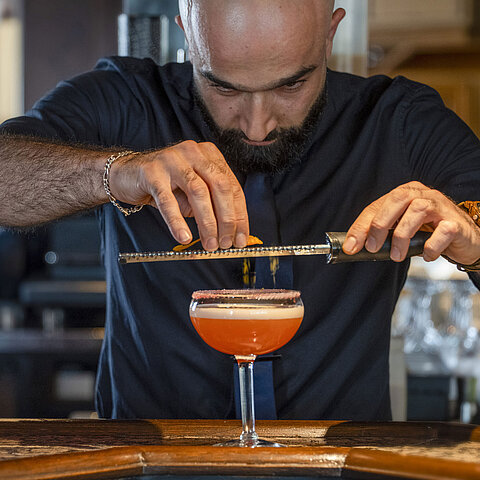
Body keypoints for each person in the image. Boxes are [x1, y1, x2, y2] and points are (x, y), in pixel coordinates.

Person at [0, 0, 479, 420]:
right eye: (224, 88)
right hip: (147, 463)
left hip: (342, 464)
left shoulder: (397, 119)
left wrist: (473, 243)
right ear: (188, 34)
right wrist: (115, 172)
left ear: (330, 34)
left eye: (290, 87)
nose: (256, 125)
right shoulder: (126, 102)